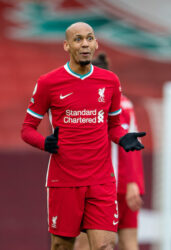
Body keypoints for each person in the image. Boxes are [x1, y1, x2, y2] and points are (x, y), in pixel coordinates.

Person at [21, 22, 146, 250]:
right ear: (67, 46)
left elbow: (114, 126)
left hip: (101, 180)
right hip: (64, 180)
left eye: (89, 38)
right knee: (62, 246)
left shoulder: (110, 81)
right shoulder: (48, 82)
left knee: (105, 247)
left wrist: (122, 137)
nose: (85, 43)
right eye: (78, 39)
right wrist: (44, 143)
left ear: (96, 43)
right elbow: (27, 130)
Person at [74, 53, 145, 250]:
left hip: (102, 185)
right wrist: (133, 182)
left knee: (89, 243)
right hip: (126, 183)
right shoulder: (126, 104)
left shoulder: (95, 105)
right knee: (127, 243)